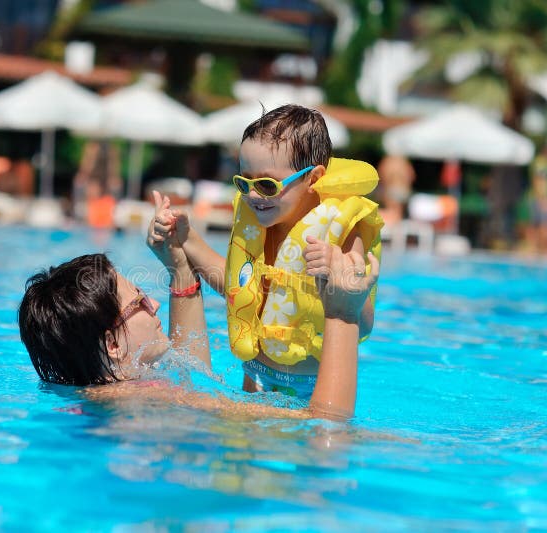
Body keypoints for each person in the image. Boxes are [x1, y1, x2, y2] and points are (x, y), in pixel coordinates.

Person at [18, 191, 380, 420]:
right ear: (113, 344)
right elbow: (325, 429)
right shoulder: (147, 403)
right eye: (140, 302)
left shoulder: (120, 396)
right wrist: (342, 314)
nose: (154, 305)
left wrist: (179, 268)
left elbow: (196, 377)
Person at [149, 104, 384, 400]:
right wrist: (187, 239)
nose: (253, 195)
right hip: (255, 374)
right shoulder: (259, 224)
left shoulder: (340, 231)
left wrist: (341, 281)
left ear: (313, 178)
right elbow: (239, 286)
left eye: (266, 184)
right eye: (243, 182)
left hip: (312, 386)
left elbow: (361, 322)